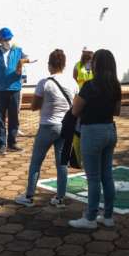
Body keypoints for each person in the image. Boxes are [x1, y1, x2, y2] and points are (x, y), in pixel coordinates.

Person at [15, 49, 78, 208]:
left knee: (36, 162)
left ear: (50, 65)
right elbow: (76, 106)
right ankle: (60, 198)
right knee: (62, 163)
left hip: (47, 126)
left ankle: (29, 196)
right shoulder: (72, 82)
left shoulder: (45, 82)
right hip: (65, 126)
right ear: (64, 65)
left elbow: (34, 107)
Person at [68, 49, 121, 230]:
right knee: (107, 175)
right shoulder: (115, 85)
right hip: (109, 129)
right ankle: (108, 216)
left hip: (91, 132)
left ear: (96, 64)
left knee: (93, 178)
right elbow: (117, 111)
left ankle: (90, 217)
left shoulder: (90, 86)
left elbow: (75, 111)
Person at [0, 27, 30, 155]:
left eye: (9, 39)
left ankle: (12, 143)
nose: (8, 41)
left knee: (14, 117)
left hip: (14, 88)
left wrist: (22, 61)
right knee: (0, 118)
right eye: (5, 39)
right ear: (0, 40)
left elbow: (32, 58)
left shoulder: (18, 50)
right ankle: (1, 144)